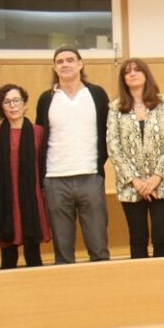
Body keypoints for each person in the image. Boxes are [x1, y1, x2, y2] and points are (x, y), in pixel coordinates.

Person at [35, 45, 110, 264]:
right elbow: (40, 139)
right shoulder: (46, 99)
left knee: (98, 248)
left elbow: (107, 132)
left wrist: (98, 166)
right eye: (60, 61)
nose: (65, 64)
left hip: (90, 177)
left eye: (70, 60)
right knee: (63, 251)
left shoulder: (96, 94)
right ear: (54, 67)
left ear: (80, 64)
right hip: (55, 180)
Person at [106, 58, 164, 258]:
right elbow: (113, 146)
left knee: (161, 236)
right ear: (123, 79)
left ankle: (162, 284)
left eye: (137, 70)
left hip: (162, 184)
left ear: (146, 74)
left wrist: (156, 178)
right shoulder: (115, 107)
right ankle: (140, 285)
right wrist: (137, 181)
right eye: (127, 71)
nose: (132, 74)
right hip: (131, 185)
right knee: (137, 237)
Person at [0, 84, 52, 268]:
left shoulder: (39, 133)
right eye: (7, 102)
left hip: (32, 198)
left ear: (24, 105)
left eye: (16, 100)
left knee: (33, 255)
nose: (12, 105)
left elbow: (44, 165)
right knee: (7, 256)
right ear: (1, 107)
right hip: (4, 200)